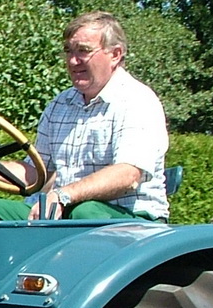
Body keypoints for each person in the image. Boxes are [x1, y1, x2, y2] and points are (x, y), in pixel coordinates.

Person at [23, 12, 169, 222]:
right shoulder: (60, 104)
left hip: (134, 221)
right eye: (68, 51)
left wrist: (64, 195)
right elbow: (36, 172)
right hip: (65, 212)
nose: (73, 61)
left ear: (115, 54)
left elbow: (128, 175)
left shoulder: (137, 100)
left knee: (85, 213)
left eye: (83, 51)